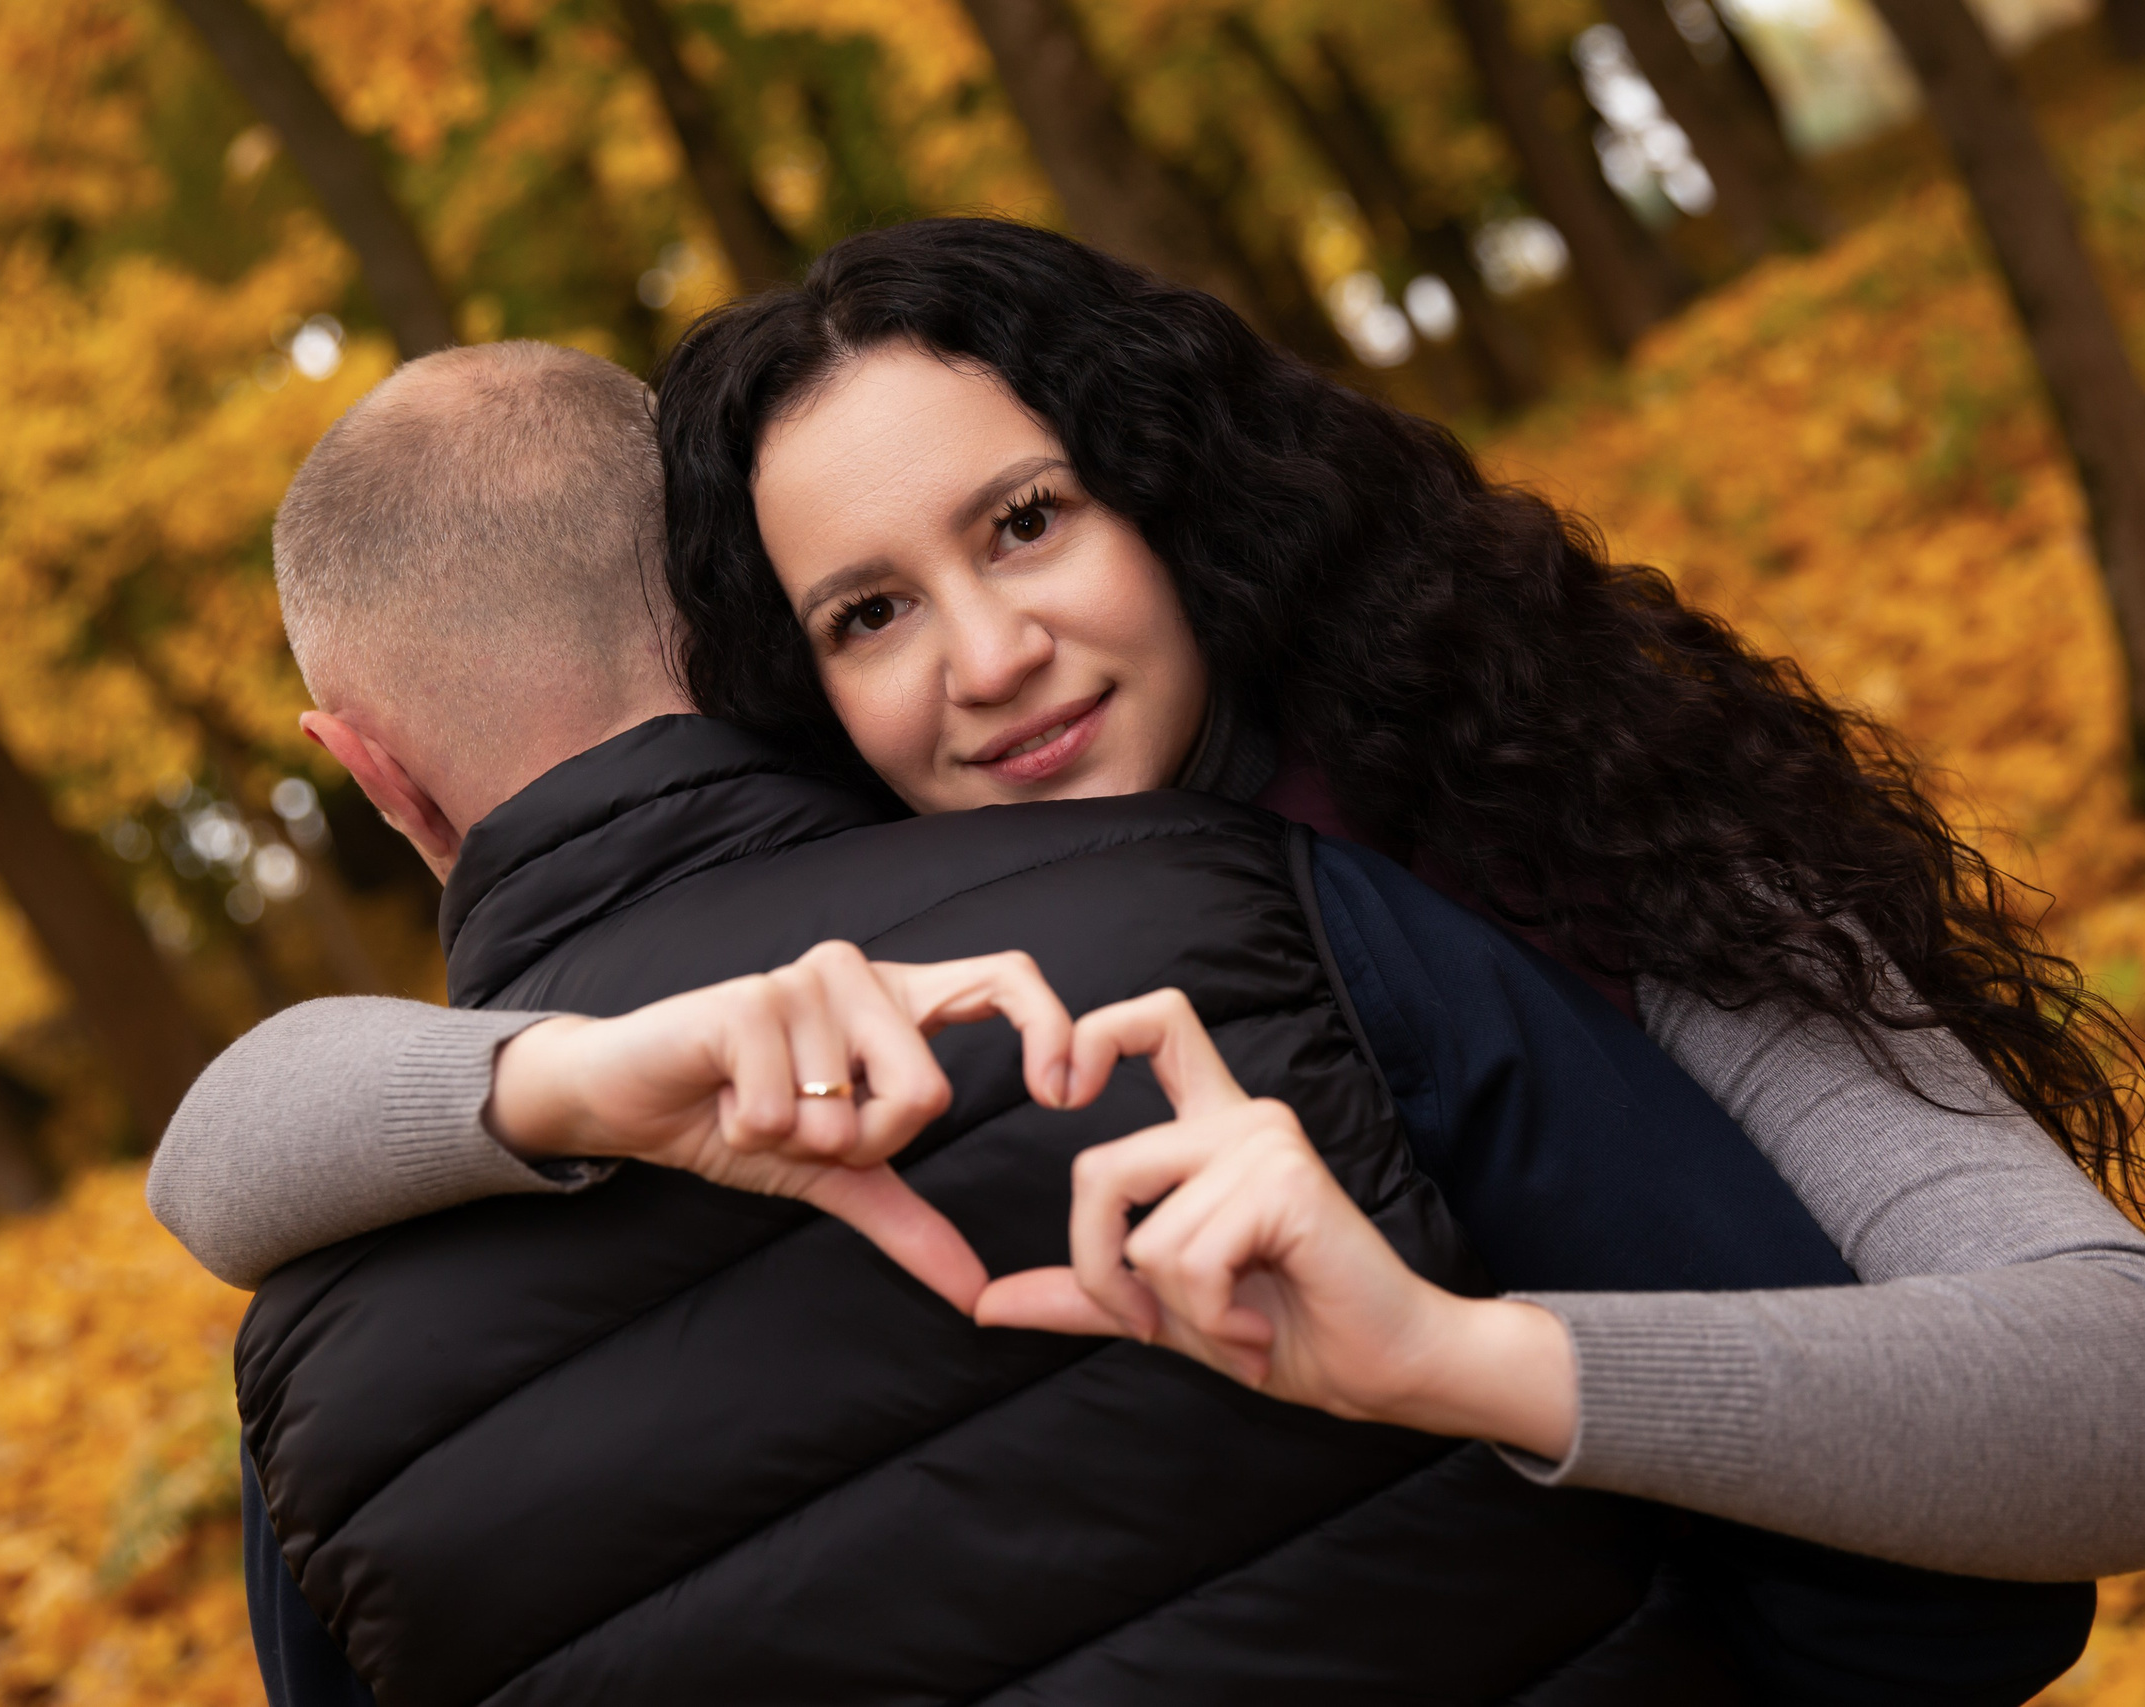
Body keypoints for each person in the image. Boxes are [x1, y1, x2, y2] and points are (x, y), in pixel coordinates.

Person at [171, 339, 2038, 1706]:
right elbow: (1926, 1590)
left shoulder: (314, 1391)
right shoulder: (1263, 901)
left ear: (371, 773)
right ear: (743, 604)